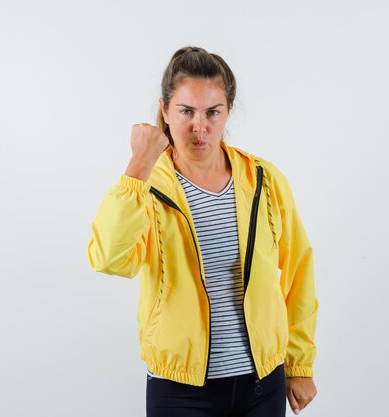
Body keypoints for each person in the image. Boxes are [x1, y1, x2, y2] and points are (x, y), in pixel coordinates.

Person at [87, 46, 318, 417]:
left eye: (213, 112)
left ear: (228, 111)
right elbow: (109, 260)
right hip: (180, 391)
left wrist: (299, 363)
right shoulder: (146, 185)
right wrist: (138, 165)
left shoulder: (263, 180)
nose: (200, 127)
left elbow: (299, 270)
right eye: (186, 112)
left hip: (263, 383)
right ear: (165, 110)